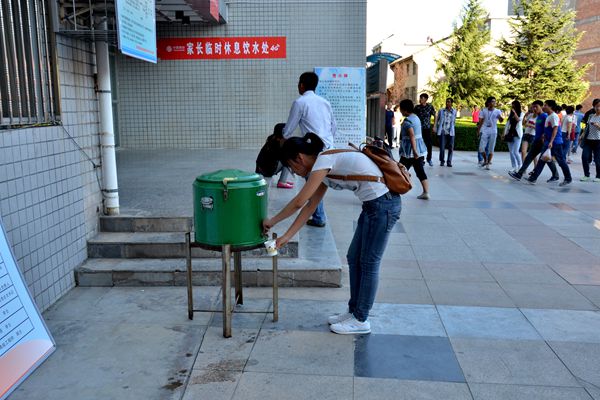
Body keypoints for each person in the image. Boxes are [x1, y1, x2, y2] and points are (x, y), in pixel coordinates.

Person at [263, 133, 401, 334]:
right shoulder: (323, 167)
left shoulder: (323, 161)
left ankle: (361, 319)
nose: (295, 173)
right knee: (354, 257)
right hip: (374, 205)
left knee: (369, 263)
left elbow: (299, 202)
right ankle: (354, 311)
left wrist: (272, 221)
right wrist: (286, 237)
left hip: (383, 205)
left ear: (299, 158)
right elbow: (310, 206)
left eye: (292, 167)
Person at [279, 71, 337, 227]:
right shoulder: (325, 102)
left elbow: (288, 129)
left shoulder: (300, 102)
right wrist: (327, 142)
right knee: (318, 183)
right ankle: (319, 215)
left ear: (302, 85)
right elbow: (334, 126)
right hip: (329, 148)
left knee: (312, 184)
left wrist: (283, 136)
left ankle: (319, 217)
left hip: (313, 151)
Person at [509, 100, 559, 182]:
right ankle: (520, 174)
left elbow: (548, 129)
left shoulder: (545, 116)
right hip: (537, 140)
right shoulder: (538, 116)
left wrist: (545, 138)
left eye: (536, 107)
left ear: (541, 107)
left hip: (542, 141)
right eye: (533, 107)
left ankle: (553, 175)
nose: (534, 109)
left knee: (545, 159)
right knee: (531, 157)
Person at [527, 100, 572, 186]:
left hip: (555, 142)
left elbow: (555, 129)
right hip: (548, 142)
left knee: (561, 161)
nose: (543, 107)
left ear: (550, 107)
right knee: (542, 159)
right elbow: (549, 128)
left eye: (545, 105)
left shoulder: (554, 116)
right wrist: (544, 135)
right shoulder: (549, 116)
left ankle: (568, 178)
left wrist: (551, 141)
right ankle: (533, 178)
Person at [399, 99, 430, 199]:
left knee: (400, 170)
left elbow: (412, 135)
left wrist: (414, 151)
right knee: (420, 171)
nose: (400, 111)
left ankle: (395, 190)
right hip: (419, 150)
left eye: (401, 109)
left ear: (405, 110)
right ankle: (426, 192)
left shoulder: (407, 121)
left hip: (410, 152)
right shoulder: (416, 117)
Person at [477, 96, 504, 170]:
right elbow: (480, 122)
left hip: (493, 130)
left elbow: (501, 121)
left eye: (495, 101)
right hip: (485, 130)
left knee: (491, 148)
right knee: (481, 148)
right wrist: (478, 131)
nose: (494, 103)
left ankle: (488, 163)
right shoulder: (483, 110)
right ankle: (485, 160)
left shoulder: (497, 111)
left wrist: (500, 117)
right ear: (488, 102)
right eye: (492, 101)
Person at [580, 100, 600, 182]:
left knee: (597, 160)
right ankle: (586, 175)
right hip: (588, 140)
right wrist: (582, 134)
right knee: (584, 157)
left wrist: (598, 126)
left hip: (598, 141)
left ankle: (598, 176)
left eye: (599, 106)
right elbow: (586, 126)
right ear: (594, 106)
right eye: (596, 106)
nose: (598, 108)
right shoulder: (591, 116)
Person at [414, 93, 436, 166]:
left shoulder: (430, 107)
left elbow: (435, 115)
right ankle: (421, 159)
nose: (420, 99)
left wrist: (434, 126)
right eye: (420, 98)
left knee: (429, 144)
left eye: (422, 98)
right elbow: (413, 116)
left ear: (426, 99)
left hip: (427, 128)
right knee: (420, 144)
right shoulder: (417, 107)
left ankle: (429, 159)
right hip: (419, 129)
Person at [434, 98, 457, 167]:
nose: (447, 103)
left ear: (452, 103)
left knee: (451, 147)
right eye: (446, 102)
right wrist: (435, 127)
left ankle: (449, 162)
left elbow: (454, 121)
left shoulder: (454, 111)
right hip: (443, 131)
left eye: (449, 102)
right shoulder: (441, 111)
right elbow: (437, 120)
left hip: (451, 132)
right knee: (442, 147)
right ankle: (442, 161)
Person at [504, 100, 524, 172]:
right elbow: (507, 124)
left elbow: (518, 120)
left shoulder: (521, 113)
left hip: (517, 134)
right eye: (512, 106)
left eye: (514, 106)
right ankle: (514, 166)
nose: (512, 107)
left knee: (515, 151)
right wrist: (504, 133)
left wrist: (515, 113)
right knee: (511, 152)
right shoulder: (511, 114)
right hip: (510, 134)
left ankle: (520, 165)